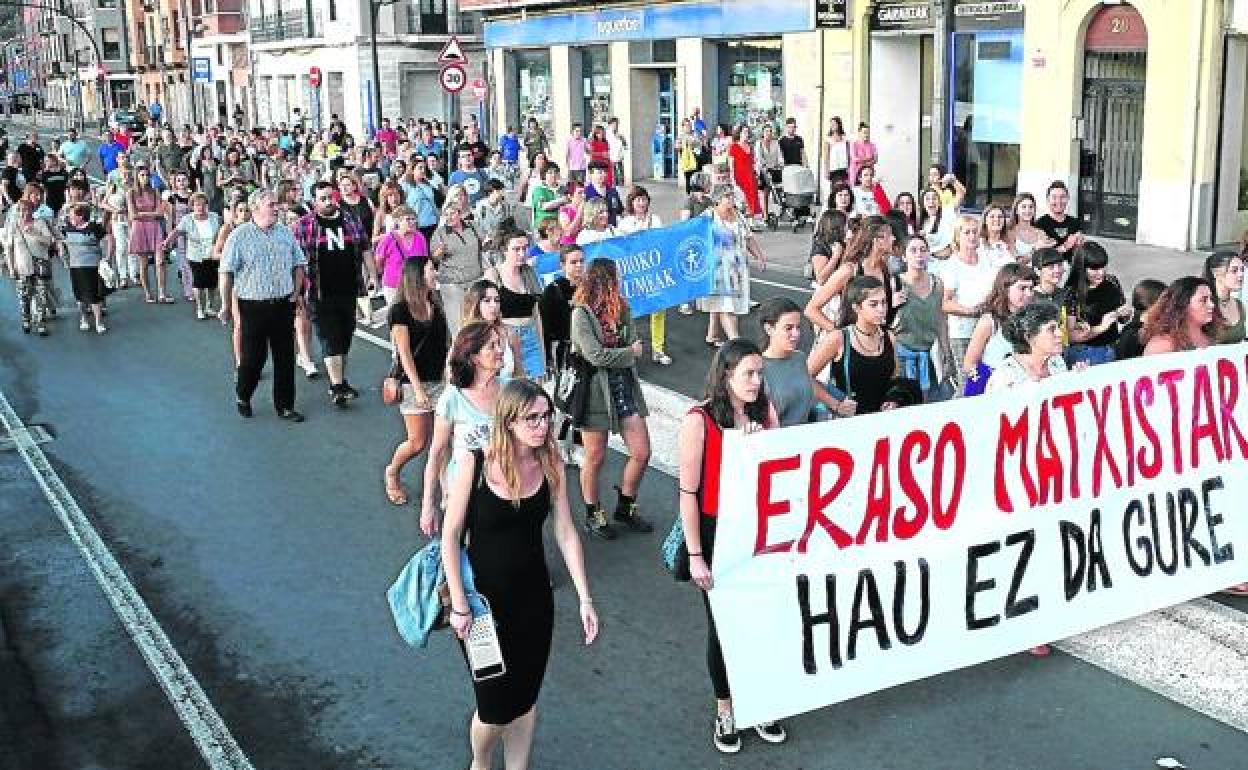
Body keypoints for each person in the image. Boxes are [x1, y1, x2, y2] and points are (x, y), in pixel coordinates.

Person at [440, 379, 598, 770]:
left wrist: (584, 598)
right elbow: (450, 537)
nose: (542, 426)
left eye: (546, 417)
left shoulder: (550, 463)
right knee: (494, 707)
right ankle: (480, 762)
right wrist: (459, 605)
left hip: (533, 600)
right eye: (532, 418)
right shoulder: (474, 464)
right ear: (508, 421)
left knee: (525, 699)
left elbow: (565, 530)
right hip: (480, 607)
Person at [677, 338, 787, 754]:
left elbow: (782, 472)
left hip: (757, 529)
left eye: (760, 373)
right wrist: (695, 556)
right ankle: (726, 707)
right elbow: (688, 491)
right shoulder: (698, 420)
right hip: (715, 530)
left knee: (761, 619)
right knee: (723, 626)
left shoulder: (765, 412)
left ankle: (758, 701)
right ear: (726, 375)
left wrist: (761, 447)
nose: (757, 382)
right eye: (749, 374)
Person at [570, 258, 653, 539]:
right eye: (614, 278)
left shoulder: (622, 307)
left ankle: (625, 506)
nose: (618, 283)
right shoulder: (581, 314)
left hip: (623, 386)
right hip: (595, 391)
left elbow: (633, 337)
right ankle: (594, 513)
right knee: (594, 457)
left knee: (642, 452)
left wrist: (627, 350)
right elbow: (596, 355)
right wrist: (629, 353)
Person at [218, 189, 309, 423]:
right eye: (271, 204)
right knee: (253, 359)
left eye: (276, 204)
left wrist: (296, 293)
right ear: (255, 208)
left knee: (285, 358)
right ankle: (243, 394)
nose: (276, 208)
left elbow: (299, 264)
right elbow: (226, 272)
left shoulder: (285, 234)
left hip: (282, 304)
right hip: (253, 306)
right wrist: (226, 304)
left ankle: (285, 406)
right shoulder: (239, 236)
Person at [420, 321, 510, 535]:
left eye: (500, 344)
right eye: (492, 346)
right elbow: (437, 454)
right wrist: (428, 506)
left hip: (505, 485)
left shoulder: (510, 390)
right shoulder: (452, 399)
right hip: (464, 489)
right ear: (474, 357)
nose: (500, 351)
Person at [293, 181, 369, 407]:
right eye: (323, 199)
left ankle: (341, 381)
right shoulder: (304, 226)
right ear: (314, 202)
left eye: (330, 197)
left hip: (348, 288)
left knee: (345, 337)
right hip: (319, 291)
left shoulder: (350, 220)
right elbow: (295, 260)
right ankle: (336, 386)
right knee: (329, 337)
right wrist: (296, 290)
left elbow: (365, 247)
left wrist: (372, 274)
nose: (328, 202)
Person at [384, 256, 449, 506]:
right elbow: (404, 352)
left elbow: (443, 344)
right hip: (414, 384)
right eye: (432, 269)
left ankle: (447, 490)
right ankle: (393, 471)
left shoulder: (435, 303)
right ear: (418, 275)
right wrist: (419, 389)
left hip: (439, 381)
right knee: (418, 442)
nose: (435, 273)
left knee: (444, 438)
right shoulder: (400, 310)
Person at [805, 216, 901, 336]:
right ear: (877, 240)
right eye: (890, 235)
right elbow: (811, 309)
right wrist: (841, 335)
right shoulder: (849, 270)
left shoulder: (884, 268)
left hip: (873, 342)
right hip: (850, 344)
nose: (894, 238)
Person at [699, 184, 768, 345]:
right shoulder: (708, 217)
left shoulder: (738, 216)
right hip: (717, 269)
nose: (731, 199)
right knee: (727, 306)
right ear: (717, 200)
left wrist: (759, 257)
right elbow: (694, 238)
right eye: (727, 197)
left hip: (736, 268)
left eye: (731, 196)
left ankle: (712, 335)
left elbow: (748, 238)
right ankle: (735, 341)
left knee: (721, 302)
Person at [940, 215, 1000, 385]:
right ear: (958, 237)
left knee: (985, 378)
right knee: (968, 381)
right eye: (967, 232)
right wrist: (971, 311)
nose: (972, 236)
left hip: (988, 328)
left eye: (975, 232)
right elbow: (946, 303)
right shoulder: (952, 265)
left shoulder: (987, 258)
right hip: (963, 332)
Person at [961, 263, 1038, 396]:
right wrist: (990, 379)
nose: (1028, 294)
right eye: (1022, 288)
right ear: (1005, 289)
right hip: (991, 385)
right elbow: (969, 363)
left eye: (1031, 288)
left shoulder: (1033, 319)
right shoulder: (989, 321)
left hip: (1023, 384)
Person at [759, 297, 838, 426]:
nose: (796, 334)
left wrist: (838, 401)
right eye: (788, 328)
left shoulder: (799, 358)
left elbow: (809, 384)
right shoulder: (759, 369)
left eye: (798, 327)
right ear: (769, 329)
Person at [894, 235, 954, 400]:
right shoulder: (895, 283)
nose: (919, 255)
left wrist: (946, 352)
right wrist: (892, 304)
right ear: (904, 257)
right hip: (901, 354)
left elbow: (941, 319)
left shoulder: (937, 283)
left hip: (928, 355)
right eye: (913, 251)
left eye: (923, 250)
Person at [617, 186, 672, 365]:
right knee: (629, 311)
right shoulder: (624, 224)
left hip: (653, 271)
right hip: (633, 274)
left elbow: (662, 241)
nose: (641, 203)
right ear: (631, 203)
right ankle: (629, 348)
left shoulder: (655, 219)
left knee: (658, 310)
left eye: (643, 199)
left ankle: (658, 349)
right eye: (637, 199)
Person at [494, 230, 547, 382]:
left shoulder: (529, 273)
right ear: (505, 250)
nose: (522, 253)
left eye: (525, 248)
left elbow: (536, 314)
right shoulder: (495, 274)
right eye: (516, 249)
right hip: (507, 336)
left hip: (530, 333)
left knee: (537, 386)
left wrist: (542, 351)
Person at [1066, 241, 1129, 366]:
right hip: (1086, 352)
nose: (1100, 273)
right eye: (1094, 269)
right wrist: (1102, 326)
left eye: (1103, 267)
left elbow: (1123, 317)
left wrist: (1125, 313)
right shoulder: (1072, 292)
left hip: (1113, 345)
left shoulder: (1112, 281)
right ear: (1082, 267)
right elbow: (1072, 335)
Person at [162, 192, 223, 320]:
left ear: (207, 205)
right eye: (197, 205)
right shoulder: (187, 219)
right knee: (199, 283)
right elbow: (177, 231)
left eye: (203, 204)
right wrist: (167, 242)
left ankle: (209, 306)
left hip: (213, 254)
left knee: (212, 282)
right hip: (196, 256)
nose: (200, 207)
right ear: (192, 206)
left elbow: (223, 233)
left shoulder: (215, 217)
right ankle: (200, 308)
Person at [431, 198, 486, 336]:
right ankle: (458, 352)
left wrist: (488, 242)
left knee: (478, 320)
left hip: (475, 279)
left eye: (452, 213)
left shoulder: (473, 226)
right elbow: (434, 257)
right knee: (458, 323)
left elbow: (485, 242)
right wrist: (439, 252)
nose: (449, 217)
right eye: (446, 214)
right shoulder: (440, 233)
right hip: (452, 283)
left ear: (460, 214)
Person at [1, 200, 56, 336]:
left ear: (32, 211)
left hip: (40, 266)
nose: (24, 213)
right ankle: (26, 320)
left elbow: (49, 241)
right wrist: (11, 267)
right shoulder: (14, 227)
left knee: (42, 296)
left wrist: (34, 234)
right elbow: (9, 248)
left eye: (26, 210)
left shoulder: (40, 223)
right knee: (24, 296)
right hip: (22, 266)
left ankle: (41, 323)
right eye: (20, 210)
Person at [61, 202, 110, 334]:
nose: (70, 219)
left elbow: (109, 239)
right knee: (79, 295)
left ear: (81, 216)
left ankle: (99, 322)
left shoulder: (93, 227)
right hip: (75, 266)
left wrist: (107, 256)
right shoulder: (67, 228)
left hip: (92, 265)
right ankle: (83, 319)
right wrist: (64, 257)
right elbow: (59, 240)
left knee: (94, 295)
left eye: (72, 216)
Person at [462, 279, 525, 379]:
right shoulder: (466, 336)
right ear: (476, 304)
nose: (494, 305)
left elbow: (520, 374)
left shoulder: (510, 333)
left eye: (497, 300)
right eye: (487, 300)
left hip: (508, 392)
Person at [128, 163, 173, 304]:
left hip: (154, 227)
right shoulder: (131, 193)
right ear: (137, 176)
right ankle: (148, 292)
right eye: (142, 175)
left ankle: (162, 293)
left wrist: (144, 213)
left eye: (147, 175)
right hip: (139, 228)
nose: (145, 178)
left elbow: (160, 212)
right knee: (144, 263)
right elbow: (133, 215)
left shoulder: (154, 191)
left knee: (160, 261)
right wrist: (150, 214)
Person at [1141, 275, 1220, 355]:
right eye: (1203, 300)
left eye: (1211, 299)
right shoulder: (1162, 345)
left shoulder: (1212, 337)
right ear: (1183, 304)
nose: (1211, 305)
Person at [538, 245, 585, 373]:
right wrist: (548, 358)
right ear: (563, 265)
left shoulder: (591, 287)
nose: (579, 265)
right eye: (574, 262)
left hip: (592, 350)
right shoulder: (552, 291)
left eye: (581, 261)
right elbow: (545, 328)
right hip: (566, 353)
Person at [373, 205, 429, 310]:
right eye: (408, 219)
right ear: (398, 221)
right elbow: (378, 262)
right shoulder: (388, 239)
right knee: (398, 317)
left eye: (414, 219)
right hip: (393, 285)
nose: (412, 222)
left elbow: (424, 261)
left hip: (415, 285)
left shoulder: (420, 237)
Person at [1113, 279, 1166, 361]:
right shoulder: (1134, 336)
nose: (1168, 309)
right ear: (1153, 306)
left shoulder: (1128, 333)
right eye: (1165, 304)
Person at [1035, 180, 1085, 256]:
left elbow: (1078, 253)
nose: (1058, 201)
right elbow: (1042, 255)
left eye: (1062, 197)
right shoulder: (1040, 224)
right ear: (1048, 199)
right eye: (1054, 197)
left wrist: (1079, 244)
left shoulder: (1075, 222)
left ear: (1068, 199)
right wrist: (1065, 247)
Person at [1206, 251, 1245, 344]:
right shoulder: (1205, 305)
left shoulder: (1239, 305)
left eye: (1242, 269)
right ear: (1215, 273)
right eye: (1234, 270)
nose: (1241, 275)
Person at [727, 126, 762, 227]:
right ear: (739, 133)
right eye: (744, 132)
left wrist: (757, 169)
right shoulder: (733, 146)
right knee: (743, 200)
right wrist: (733, 179)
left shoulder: (750, 147)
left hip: (750, 176)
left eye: (747, 132)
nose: (746, 134)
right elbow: (731, 164)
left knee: (752, 198)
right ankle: (742, 222)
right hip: (739, 176)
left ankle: (751, 222)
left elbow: (753, 161)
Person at [1009, 192, 1055, 262]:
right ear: (1016, 211)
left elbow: (1046, 259)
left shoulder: (1040, 232)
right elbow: (1017, 261)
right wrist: (1035, 249)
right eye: (1024, 207)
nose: (1028, 210)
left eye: (1031, 207)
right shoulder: (1010, 232)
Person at [583, 161, 624, 226]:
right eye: (600, 172)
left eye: (605, 171)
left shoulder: (613, 191)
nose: (604, 174)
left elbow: (620, 210)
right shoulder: (586, 193)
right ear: (591, 174)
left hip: (612, 229)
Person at [847, 122, 877, 190]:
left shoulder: (872, 145)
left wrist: (864, 161)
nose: (866, 134)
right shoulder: (854, 144)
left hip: (868, 174)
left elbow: (875, 160)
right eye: (864, 132)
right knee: (855, 191)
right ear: (859, 133)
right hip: (855, 173)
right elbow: (854, 159)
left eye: (868, 132)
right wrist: (868, 159)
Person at [824, 116, 849, 186]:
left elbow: (848, 153)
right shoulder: (828, 139)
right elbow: (826, 157)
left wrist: (849, 167)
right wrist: (826, 171)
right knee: (835, 189)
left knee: (844, 187)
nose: (832, 126)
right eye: (831, 124)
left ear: (839, 125)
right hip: (833, 168)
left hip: (844, 167)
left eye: (834, 124)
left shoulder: (845, 138)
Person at [606, 117, 628, 185]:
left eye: (616, 124)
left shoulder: (620, 134)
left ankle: (621, 183)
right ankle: (615, 183)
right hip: (611, 155)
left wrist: (622, 139)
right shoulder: (607, 134)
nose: (615, 126)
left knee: (620, 169)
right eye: (613, 124)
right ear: (610, 125)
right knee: (614, 170)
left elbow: (625, 145)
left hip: (619, 155)